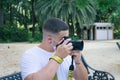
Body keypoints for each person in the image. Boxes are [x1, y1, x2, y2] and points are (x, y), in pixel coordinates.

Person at [20, 18, 88, 80]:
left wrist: (78, 62)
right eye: (63, 38)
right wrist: (58, 57)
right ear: (50, 39)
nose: (66, 41)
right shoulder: (30, 55)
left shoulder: (67, 54)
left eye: (67, 38)